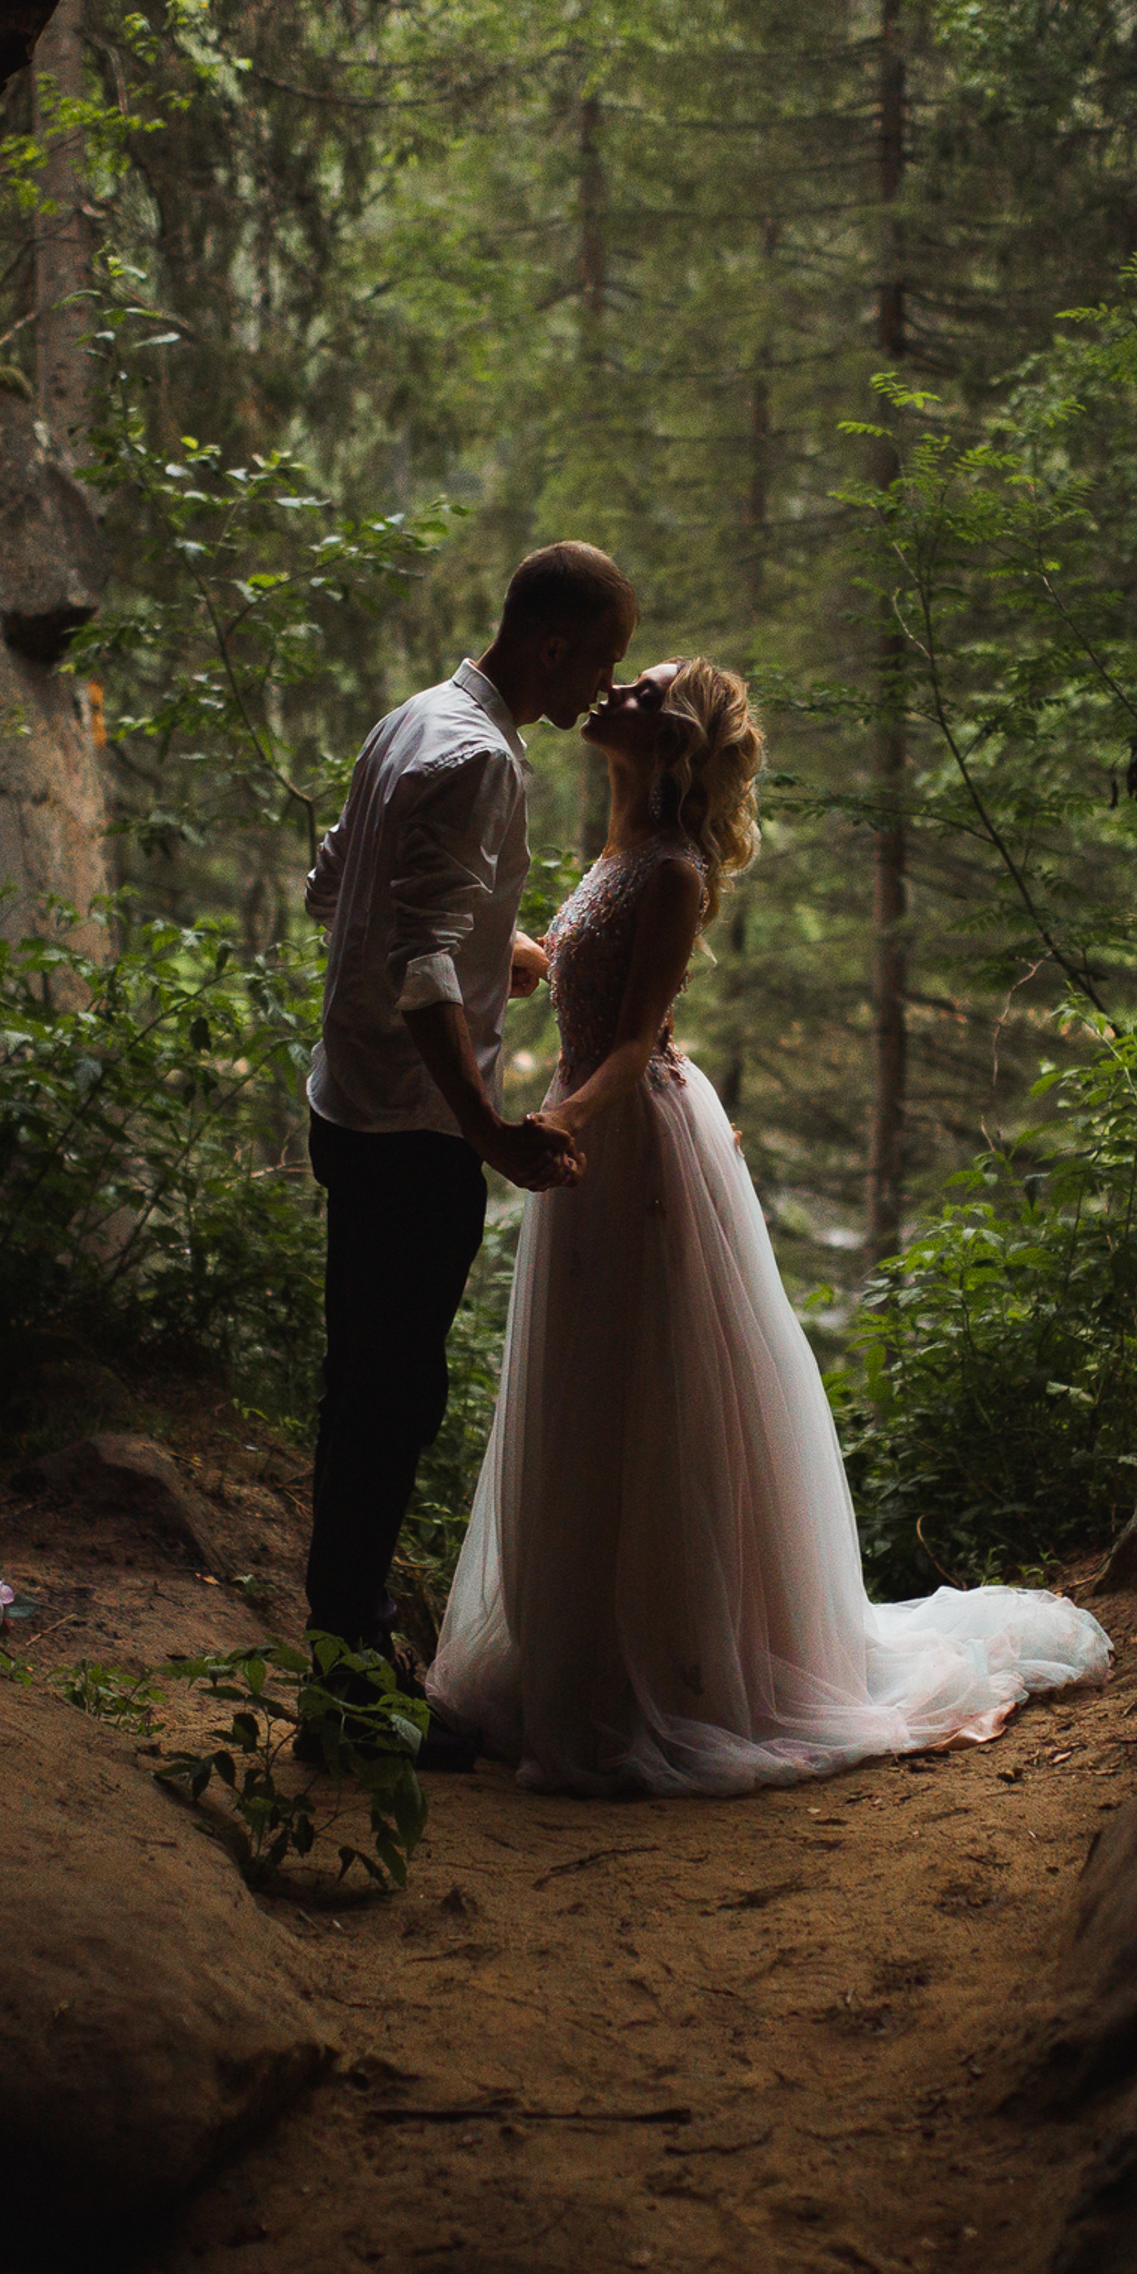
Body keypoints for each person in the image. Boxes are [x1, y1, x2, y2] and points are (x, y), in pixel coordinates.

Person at [427, 656, 1112, 1793]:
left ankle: (672, 1669)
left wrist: (548, 1123)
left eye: (641, 691)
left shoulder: (672, 871)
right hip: (607, 1125)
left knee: (644, 1389)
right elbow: (600, 986)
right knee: (593, 1387)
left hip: (632, 1137)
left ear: (677, 740)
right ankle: (587, 1651)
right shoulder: (617, 850)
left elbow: (638, 1038)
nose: (614, 693)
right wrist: (538, 959)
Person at [301, 541, 638, 1765]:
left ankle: (349, 1653)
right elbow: (420, 961)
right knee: (391, 1403)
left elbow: (335, 886)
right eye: (598, 658)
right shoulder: (482, 759)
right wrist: (487, 1127)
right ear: (549, 645)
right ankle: (347, 1691)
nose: (605, 687)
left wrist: (510, 949)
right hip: (411, 1129)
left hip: (347, 1102)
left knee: (366, 1392)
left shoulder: (413, 721)